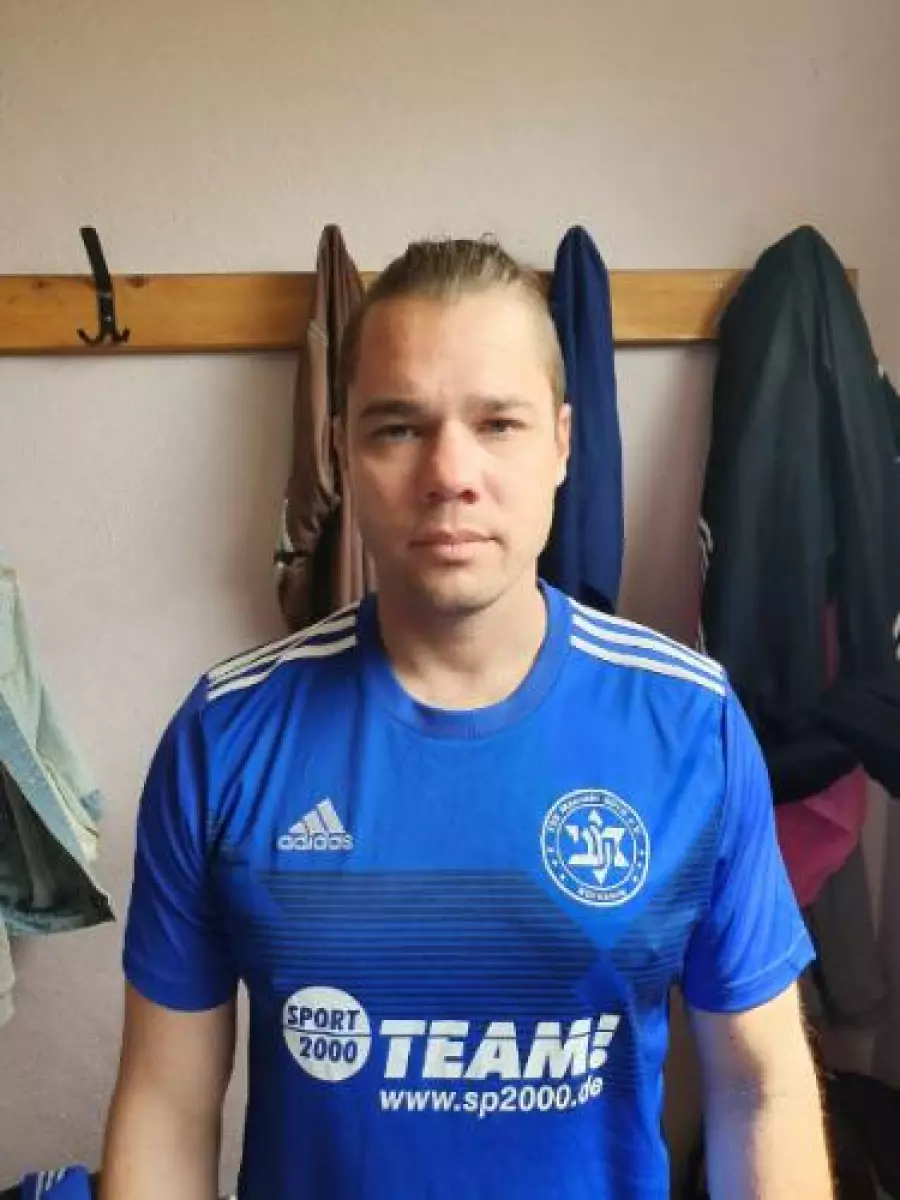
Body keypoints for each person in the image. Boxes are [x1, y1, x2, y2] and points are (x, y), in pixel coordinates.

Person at [100, 238, 833, 1199]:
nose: (450, 473)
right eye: (399, 428)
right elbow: (167, 1104)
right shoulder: (226, 737)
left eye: (498, 424)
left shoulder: (689, 724)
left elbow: (760, 1087)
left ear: (562, 443)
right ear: (341, 452)